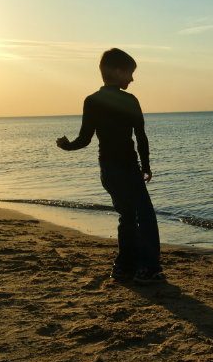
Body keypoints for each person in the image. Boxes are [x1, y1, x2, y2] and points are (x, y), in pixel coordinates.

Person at [56, 48, 164, 284]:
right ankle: (149, 268)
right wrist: (145, 165)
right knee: (145, 216)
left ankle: (123, 267)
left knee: (126, 216)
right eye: (130, 73)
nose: (132, 79)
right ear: (118, 71)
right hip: (127, 167)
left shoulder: (92, 101)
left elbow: (84, 140)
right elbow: (141, 136)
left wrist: (66, 146)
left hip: (107, 169)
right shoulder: (129, 100)